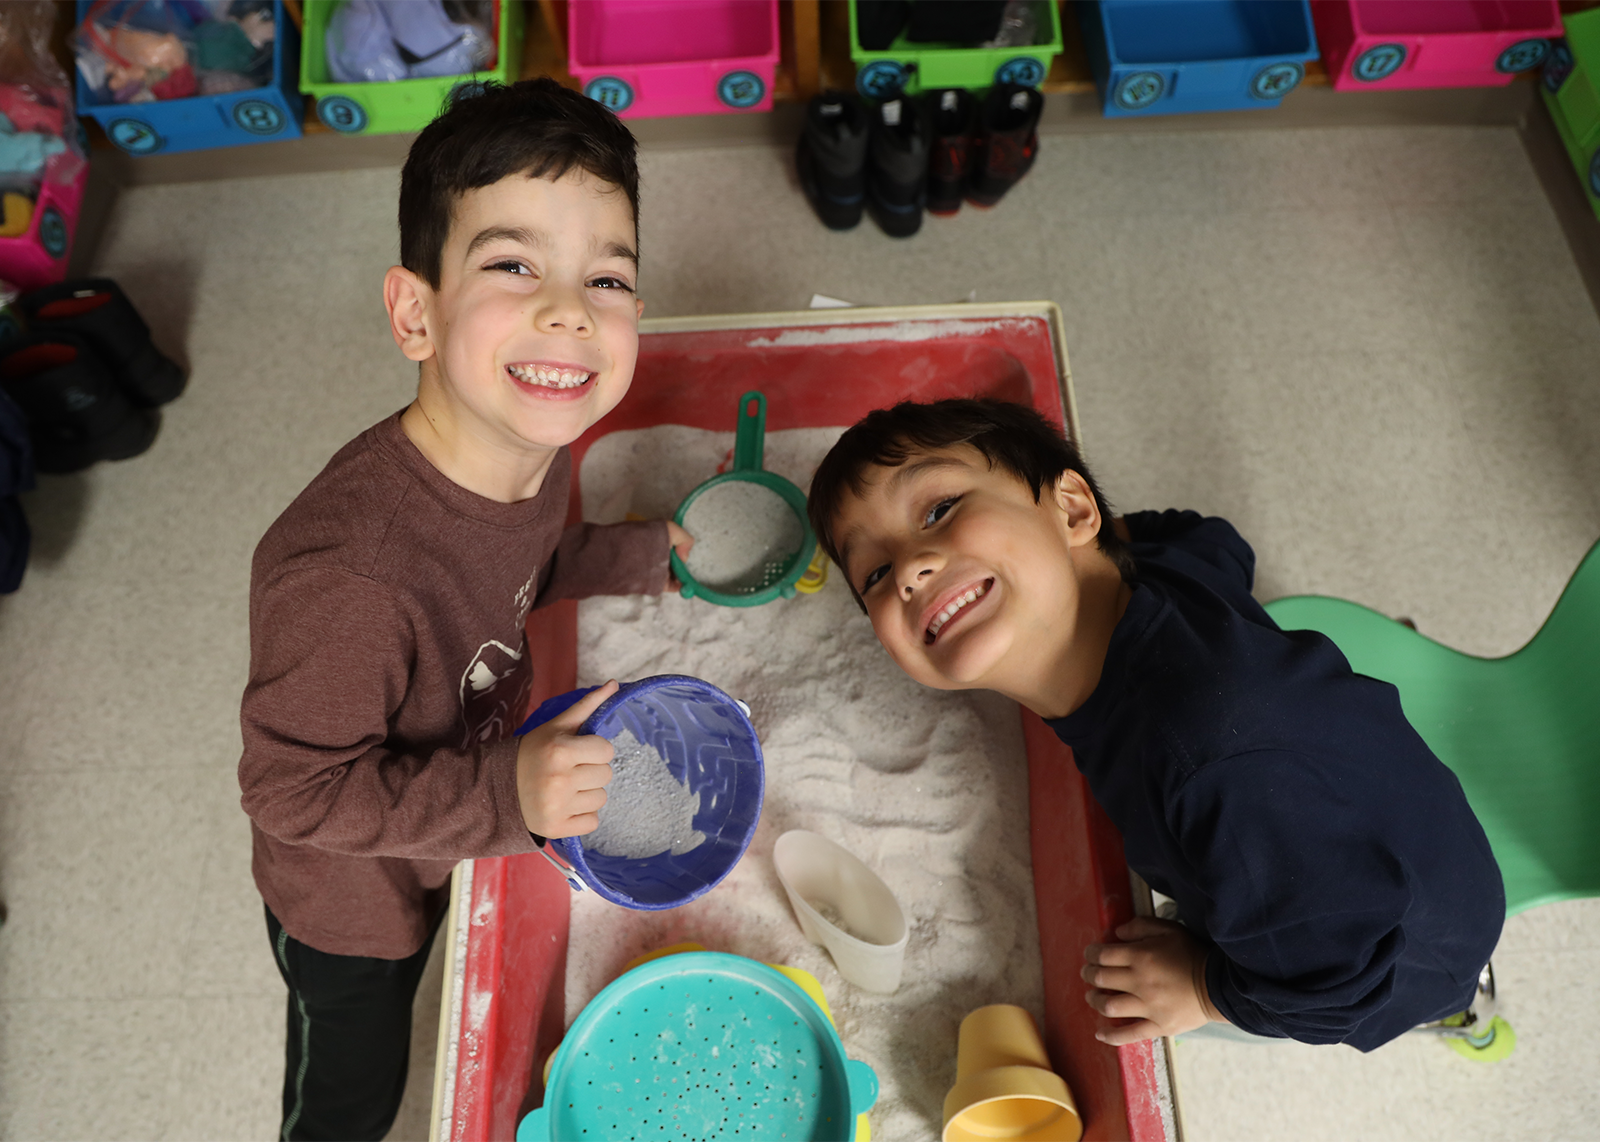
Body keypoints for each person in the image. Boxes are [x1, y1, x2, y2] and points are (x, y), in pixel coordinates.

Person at [238, 79, 691, 1141]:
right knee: (352, 1085)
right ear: (414, 313)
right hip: (351, 903)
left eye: (607, 276)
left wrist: (638, 552)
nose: (569, 309)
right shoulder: (352, 574)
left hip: (452, 812)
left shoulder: (524, 440)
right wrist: (506, 792)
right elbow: (291, 791)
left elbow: (520, 564)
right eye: (512, 263)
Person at [806, 398, 1504, 1050]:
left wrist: (1204, 988)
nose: (909, 571)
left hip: (1410, 949)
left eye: (939, 510)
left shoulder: (1210, 763)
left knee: (1393, 978)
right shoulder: (1155, 570)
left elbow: (1334, 986)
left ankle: (1463, 1009)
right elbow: (1211, 538)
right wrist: (1074, 546)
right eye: (874, 573)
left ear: (1076, 511)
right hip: (1378, 820)